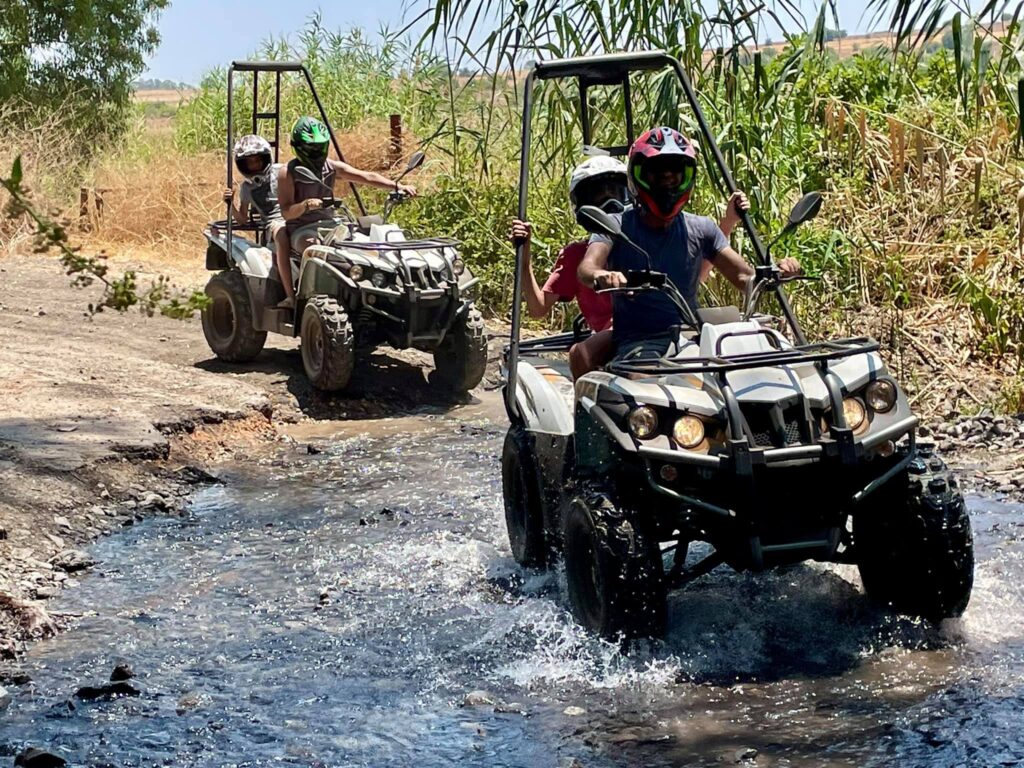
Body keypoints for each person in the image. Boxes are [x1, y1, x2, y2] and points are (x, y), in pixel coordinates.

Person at [510, 157, 751, 378]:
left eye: (616, 192)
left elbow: (694, 272)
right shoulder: (577, 255)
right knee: (580, 353)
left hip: (662, 331)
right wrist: (525, 257)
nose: (609, 203)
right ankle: (586, 416)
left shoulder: (640, 240)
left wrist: (727, 223)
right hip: (623, 335)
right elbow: (538, 307)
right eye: (597, 197)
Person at [578, 126, 800, 362]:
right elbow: (586, 269)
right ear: (637, 176)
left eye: (675, 175)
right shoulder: (617, 225)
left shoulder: (702, 228)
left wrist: (778, 272)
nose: (668, 183)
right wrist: (604, 276)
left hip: (694, 336)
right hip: (639, 341)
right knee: (643, 385)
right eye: (658, 175)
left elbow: (746, 278)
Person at [277, 116, 418, 307]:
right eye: (311, 148)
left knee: (364, 246)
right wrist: (304, 206)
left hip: (333, 226)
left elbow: (366, 176)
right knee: (315, 248)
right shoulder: (288, 172)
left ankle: (376, 292)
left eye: (320, 147)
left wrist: (397, 186)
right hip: (303, 229)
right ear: (298, 146)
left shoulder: (331, 167)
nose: (317, 152)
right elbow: (286, 212)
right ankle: (301, 297)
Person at [222, 135, 291, 306]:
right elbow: (243, 219)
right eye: (250, 162)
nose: (255, 165)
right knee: (281, 234)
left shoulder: (281, 171)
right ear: (243, 165)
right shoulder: (247, 188)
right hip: (275, 223)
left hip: (293, 215)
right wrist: (230, 204)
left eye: (258, 160)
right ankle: (291, 296)